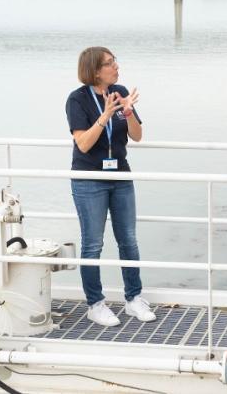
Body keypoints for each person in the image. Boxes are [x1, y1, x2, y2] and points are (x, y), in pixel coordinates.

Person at [65, 46, 156, 327]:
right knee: (93, 244)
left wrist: (127, 112)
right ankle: (95, 304)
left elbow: (137, 136)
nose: (116, 66)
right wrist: (104, 116)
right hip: (89, 179)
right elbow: (83, 143)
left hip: (120, 177)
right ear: (94, 71)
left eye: (115, 61)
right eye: (109, 63)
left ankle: (133, 298)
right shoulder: (77, 100)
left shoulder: (119, 90)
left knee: (128, 239)